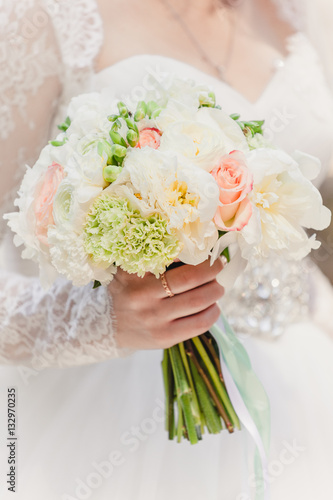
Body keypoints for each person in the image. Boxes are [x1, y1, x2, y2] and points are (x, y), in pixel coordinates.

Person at [0, 0, 333, 499]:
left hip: (301, 377)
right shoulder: (46, 19)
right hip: (120, 401)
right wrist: (98, 319)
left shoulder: (293, 11)